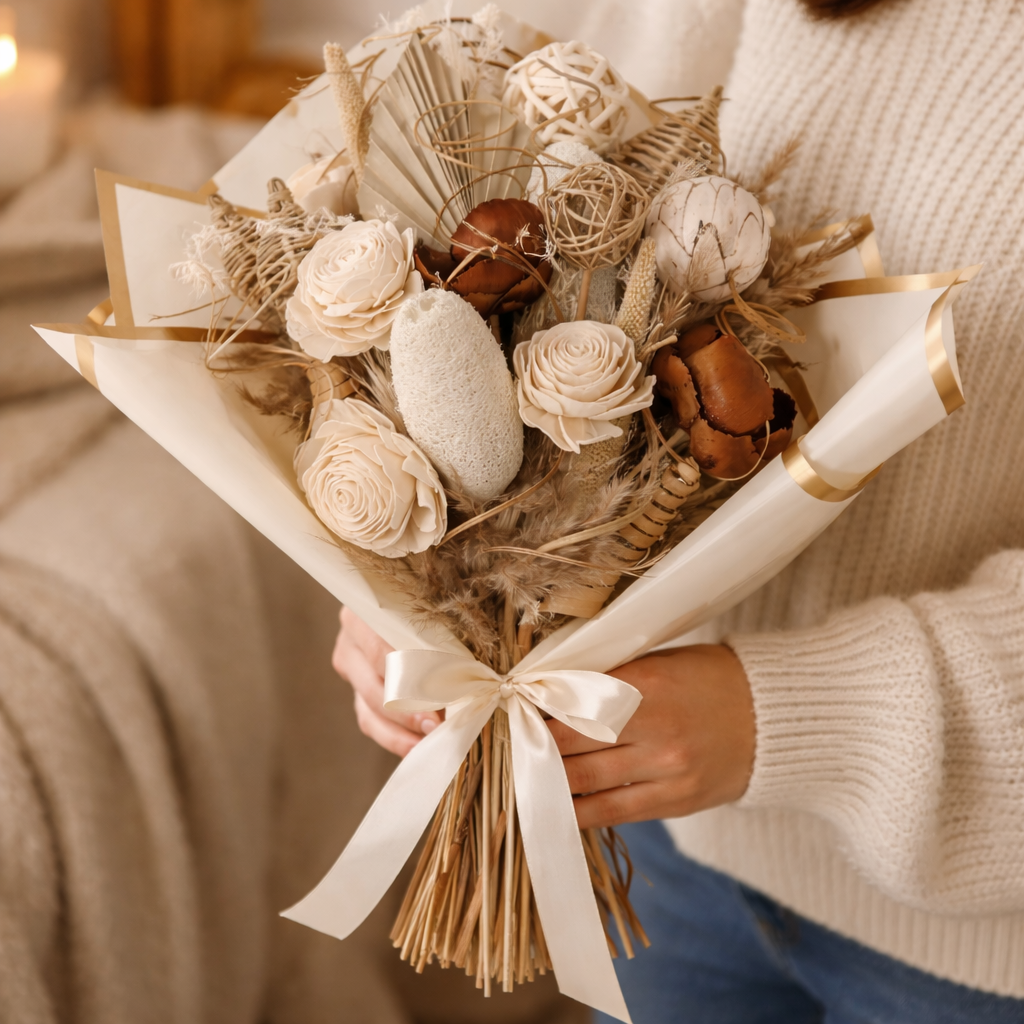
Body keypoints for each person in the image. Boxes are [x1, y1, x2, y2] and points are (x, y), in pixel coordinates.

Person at [332, 0, 1024, 1019]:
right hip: (673, 851)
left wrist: (782, 717)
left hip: (972, 958)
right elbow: (562, 231)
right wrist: (408, 574)